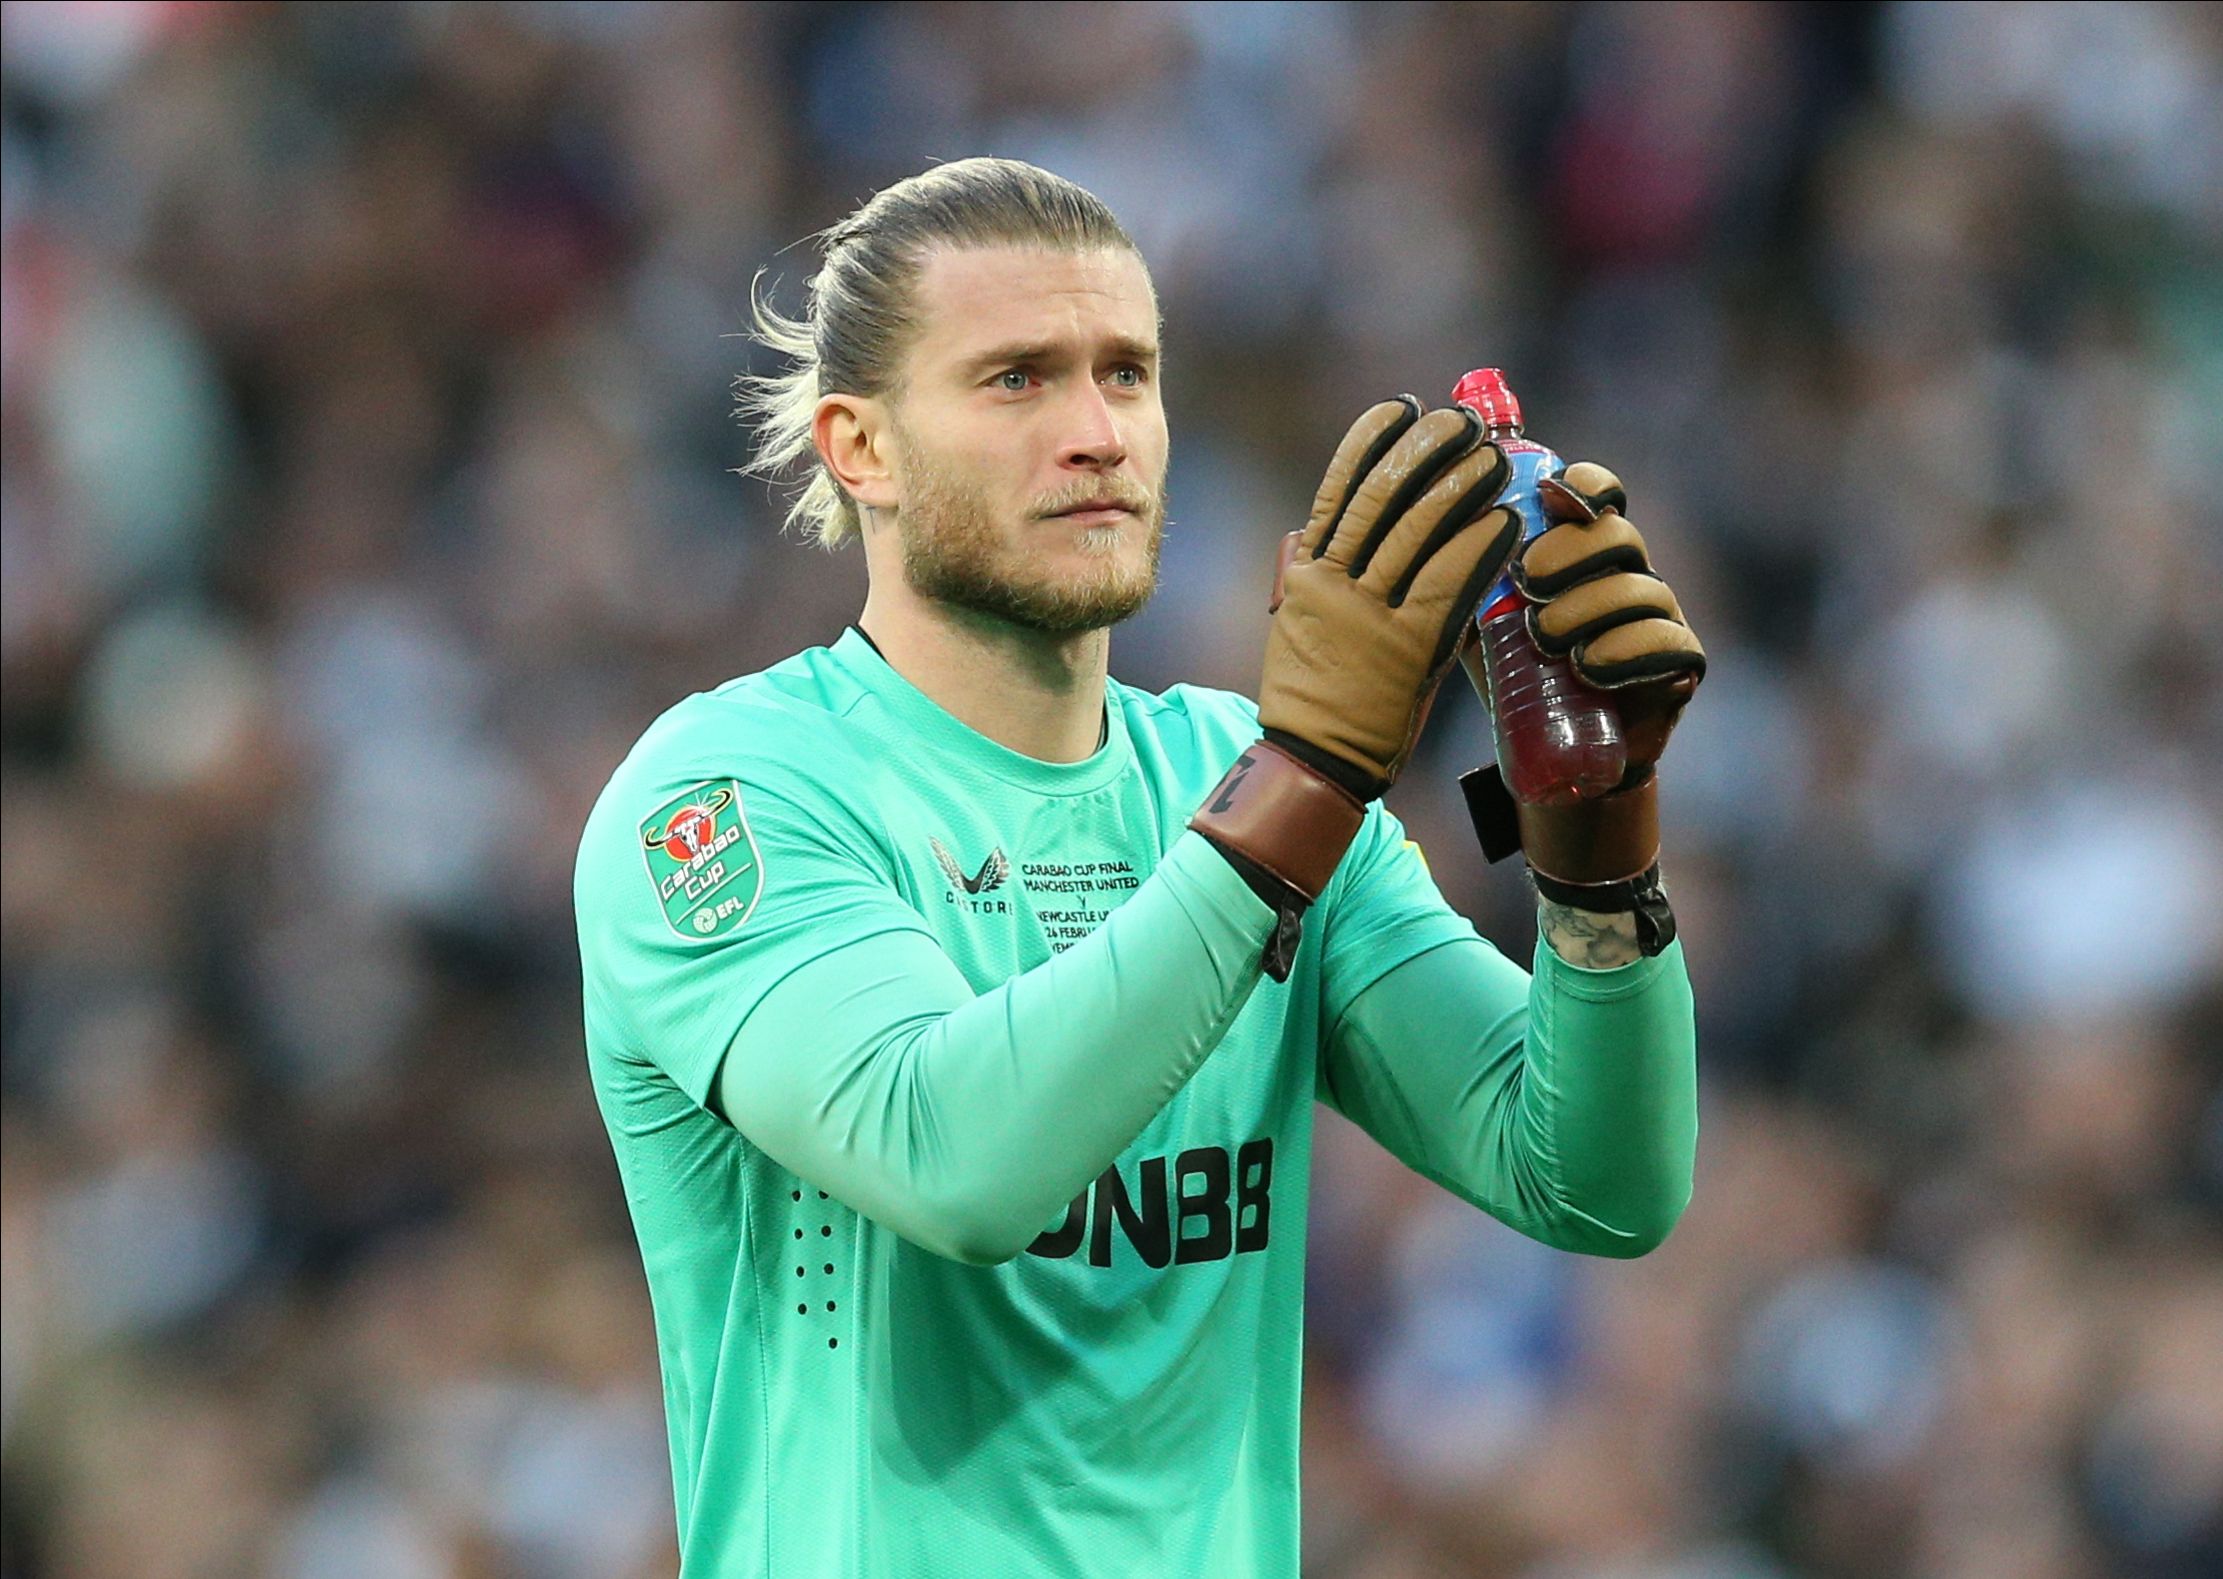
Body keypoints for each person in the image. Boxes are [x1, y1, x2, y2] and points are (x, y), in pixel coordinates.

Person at [573, 157, 1707, 1578]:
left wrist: (1595, 858)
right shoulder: (731, 795)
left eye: (1127, 373)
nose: (1097, 432)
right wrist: (1302, 785)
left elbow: (1600, 1184)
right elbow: (959, 1159)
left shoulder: (1230, 770)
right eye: (1016, 381)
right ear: (860, 447)